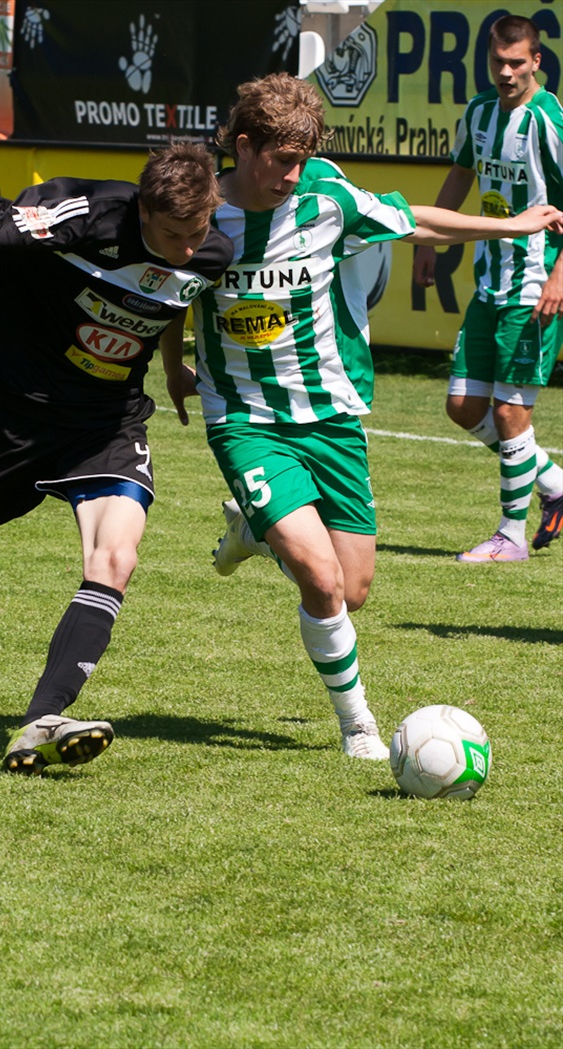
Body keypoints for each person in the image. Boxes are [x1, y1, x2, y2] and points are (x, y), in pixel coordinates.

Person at [169, 73, 562, 760]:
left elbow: (415, 222)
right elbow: (167, 284)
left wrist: (511, 224)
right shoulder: (202, 209)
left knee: (353, 589)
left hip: (332, 417)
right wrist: (173, 362)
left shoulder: (327, 195)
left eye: (302, 159)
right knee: (321, 582)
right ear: (244, 145)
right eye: (281, 160)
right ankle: (359, 728)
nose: (293, 174)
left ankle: (254, 533)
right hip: (245, 418)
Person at [0, 143, 232, 774]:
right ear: (143, 211)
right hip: (14, 413)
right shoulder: (87, 216)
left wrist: (173, 371)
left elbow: (177, 294)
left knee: (116, 557)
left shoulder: (209, 250)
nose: (187, 248)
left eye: (196, 233)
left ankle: (42, 720)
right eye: (173, 234)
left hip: (105, 422)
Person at [413, 15, 563, 562]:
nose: (506, 72)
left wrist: (559, 277)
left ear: (536, 62)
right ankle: (555, 482)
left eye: (517, 63)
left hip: (535, 283)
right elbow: (461, 173)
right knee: (462, 404)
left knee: (508, 413)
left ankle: (510, 536)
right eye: (498, 61)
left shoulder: (549, 120)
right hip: (489, 281)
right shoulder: (478, 111)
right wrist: (429, 242)